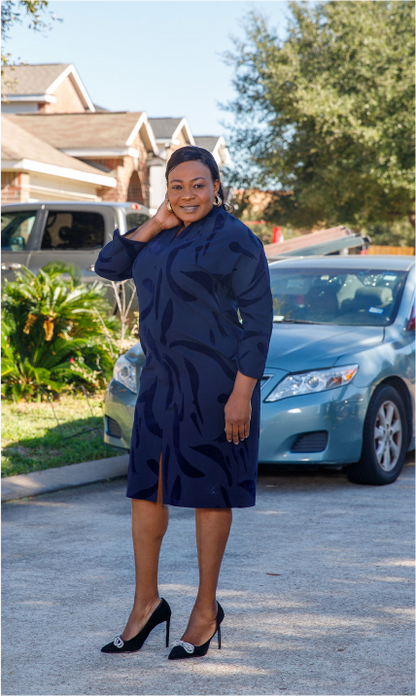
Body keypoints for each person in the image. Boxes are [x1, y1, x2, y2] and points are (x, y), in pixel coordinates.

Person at [95, 146, 273, 660]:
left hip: (217, 386)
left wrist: (243, 394)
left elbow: (258, 322)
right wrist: (153, 223)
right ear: (166, 191)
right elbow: (109, 265)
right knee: (145, 490)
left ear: (217, 186)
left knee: (209, 492)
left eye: (198, 184)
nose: (188, 194)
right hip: (160, 384)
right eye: (177, 185)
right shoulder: (162, 232)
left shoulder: (236, 239)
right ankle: (146, 604)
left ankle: (205, 609)